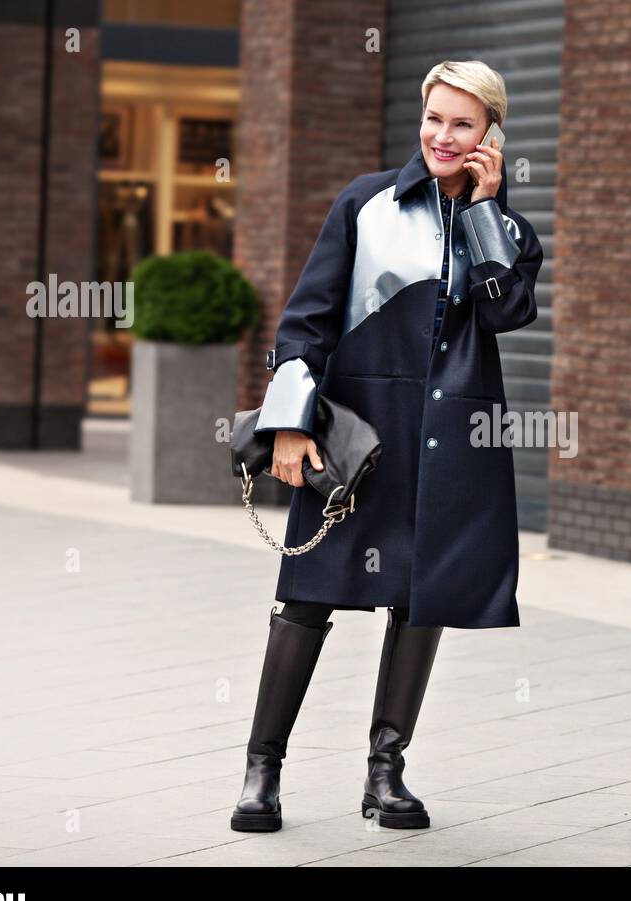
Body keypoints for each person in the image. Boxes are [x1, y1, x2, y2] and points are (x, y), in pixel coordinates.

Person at [230, 60, 544, 833]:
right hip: (359, 438)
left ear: (490, 135)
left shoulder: (504, 232)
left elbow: (506, 314)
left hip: (449, 446)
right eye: (435, 118)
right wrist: (292, 422)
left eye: (463, 124)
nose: (443, 135)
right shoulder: (363, 203)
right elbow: (304, 322)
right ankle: (261, 772)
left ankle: (386, 774)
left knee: (421, 599)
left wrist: (484, 210)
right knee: (305, 597)